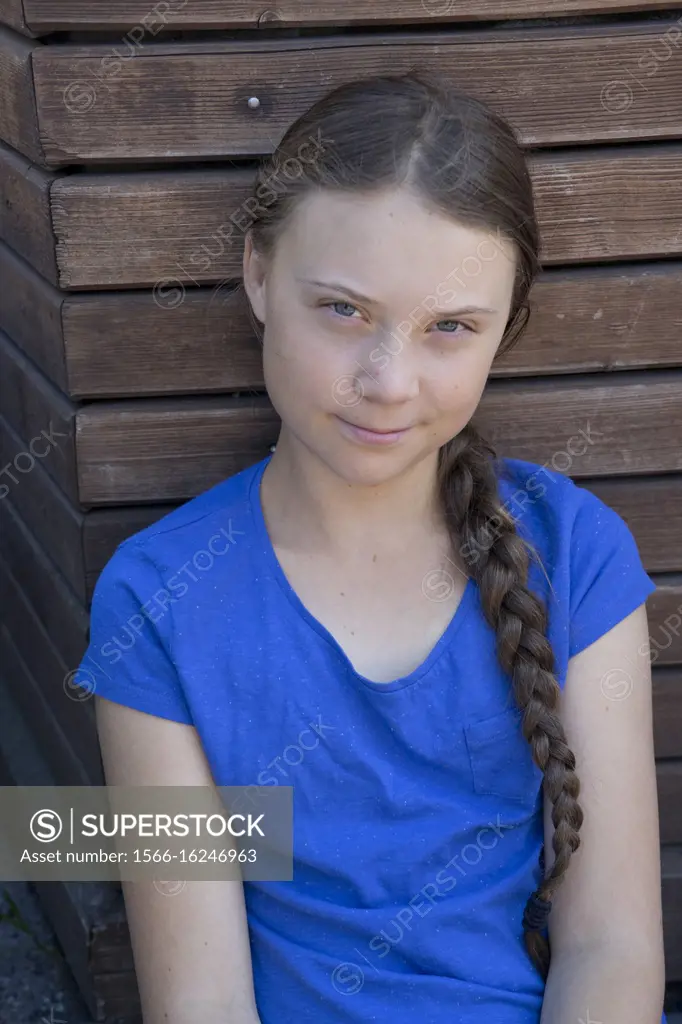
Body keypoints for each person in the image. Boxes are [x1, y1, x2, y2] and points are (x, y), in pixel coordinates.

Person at [79, 71, 667, 1023]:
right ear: (259, 275)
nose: (388, 383)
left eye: (449, 329)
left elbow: (610, 946)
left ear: (502, 332)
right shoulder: (154, 600)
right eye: (344, 310)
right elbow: (201, 1003)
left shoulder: (577, 553)